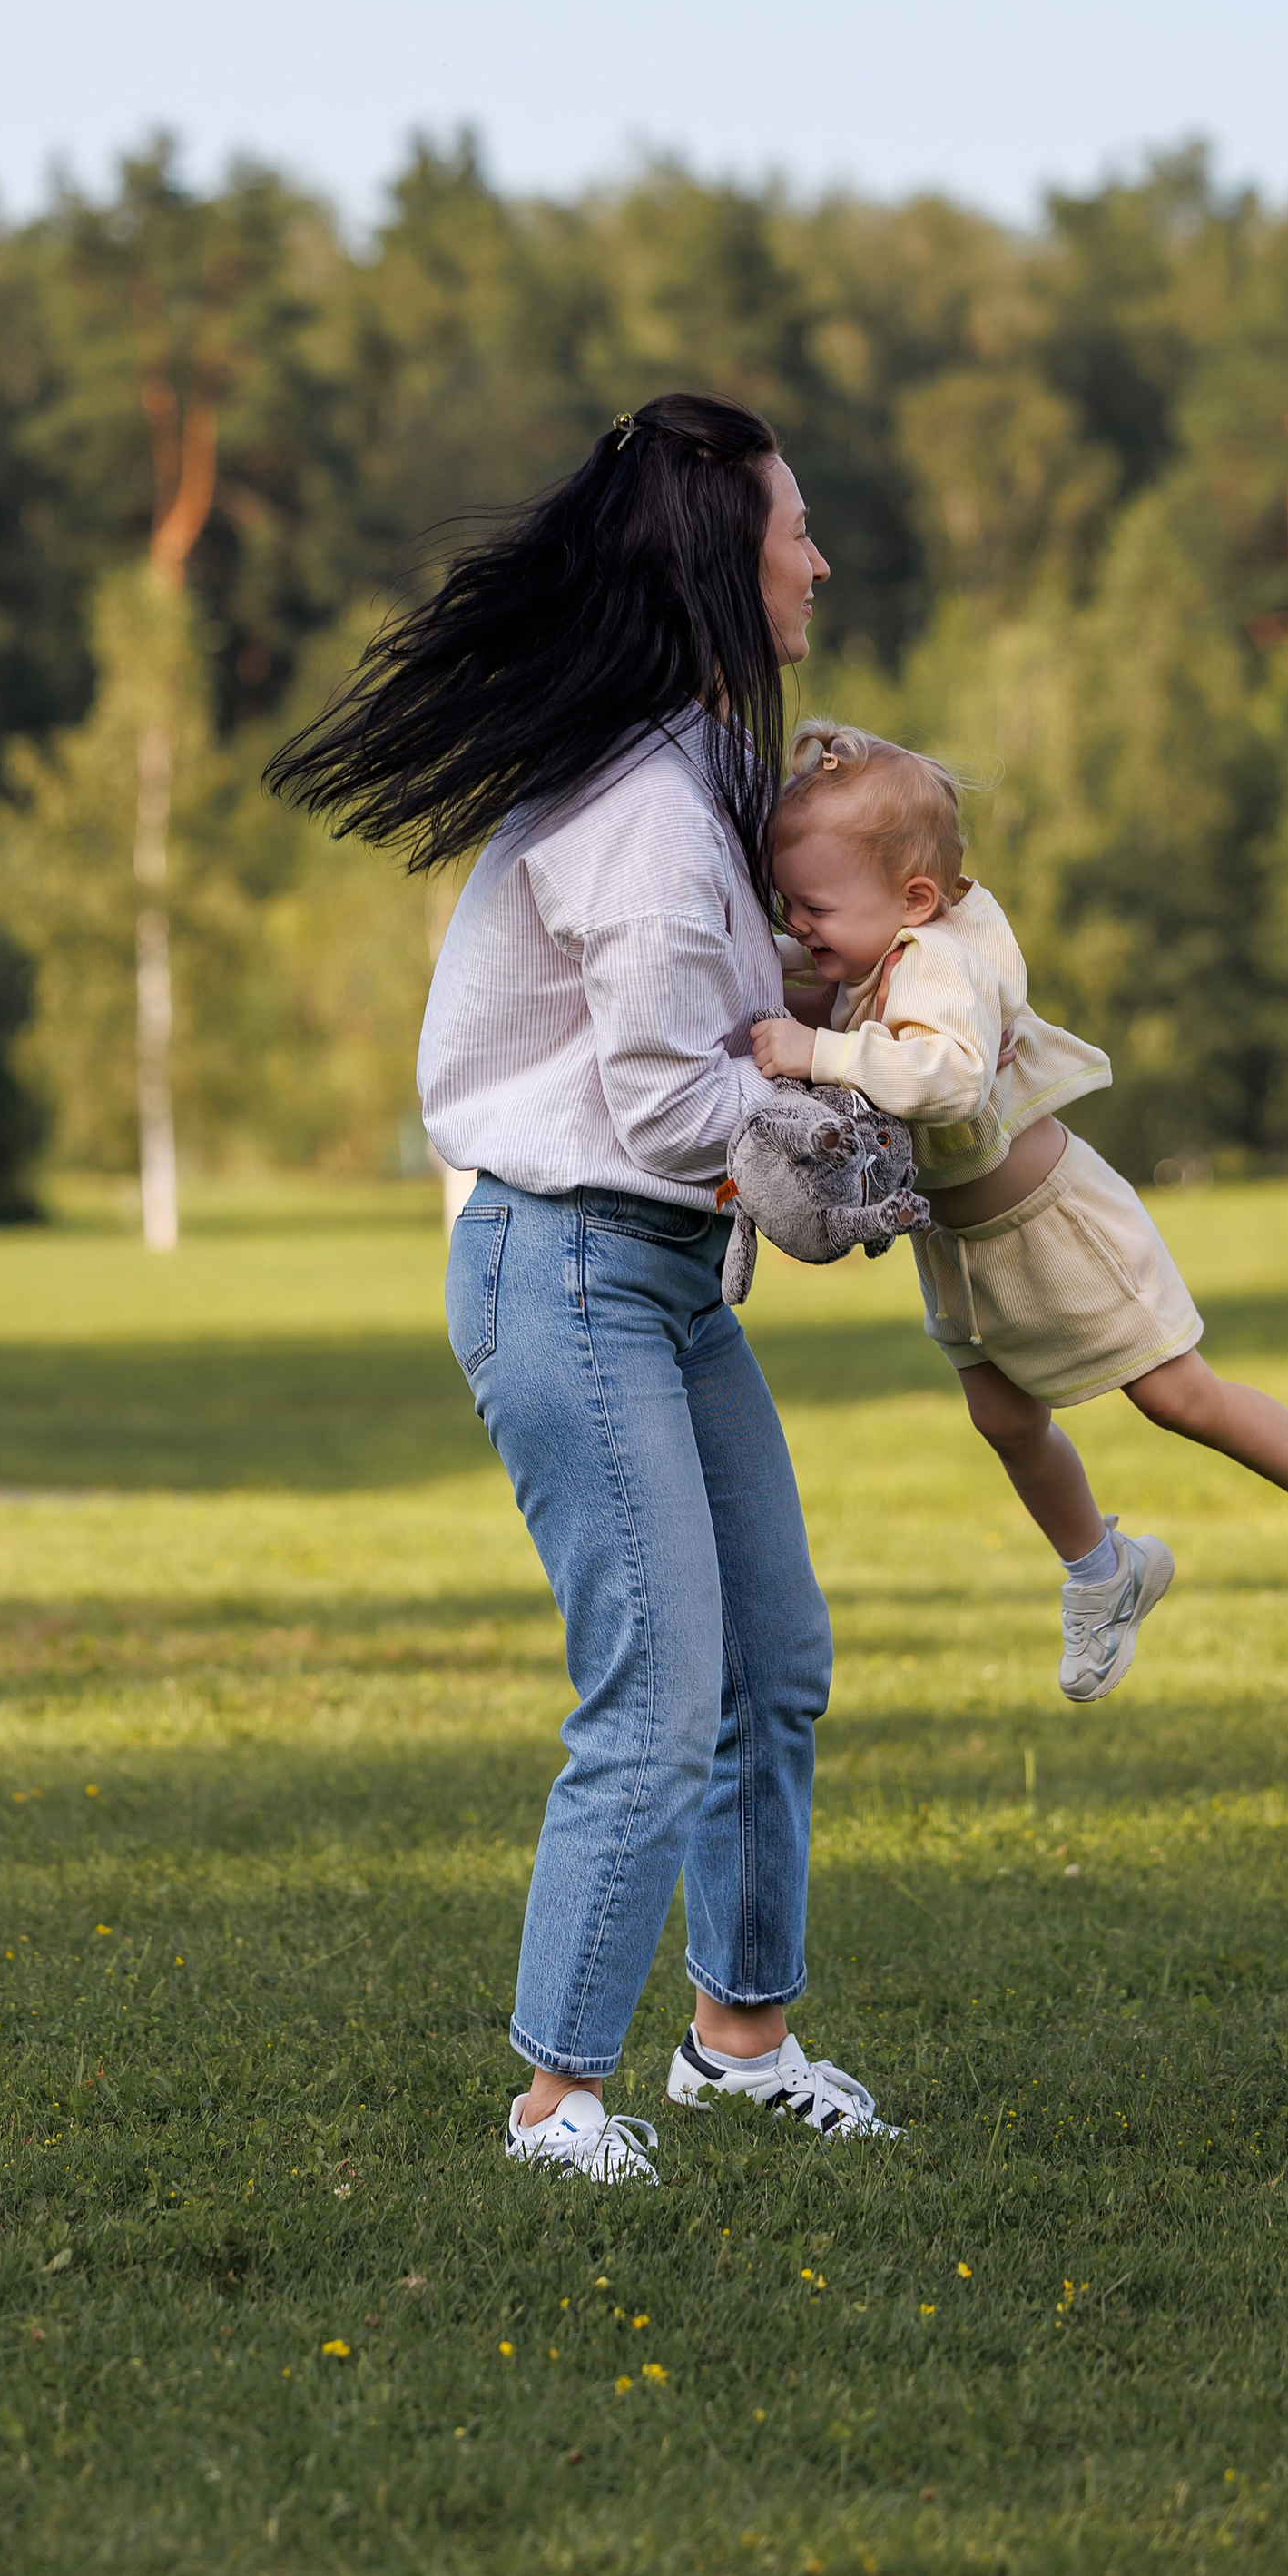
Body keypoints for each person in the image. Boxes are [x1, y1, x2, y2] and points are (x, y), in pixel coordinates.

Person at [269, 395, 900, 2183]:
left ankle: (736, 2044)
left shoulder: (693, 774)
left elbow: (721, 1040)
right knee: (656, 1687)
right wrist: (860, 1162)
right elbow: (665, 1095)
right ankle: (555, 2102)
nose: (817, 558)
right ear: (726, 556)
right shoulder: (642, 808)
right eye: (796, 528)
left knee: (772, 1666)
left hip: (661, 1280)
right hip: (563, 1267)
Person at [749, 722, 1288, 1700]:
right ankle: (1103, 1573)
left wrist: (814, 1052)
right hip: (960, 1246)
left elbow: (941, 1080)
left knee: (1177, 1395)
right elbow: (819, 990)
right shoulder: (868, 959)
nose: (799, 926)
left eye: (813, 908)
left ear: (910, 901)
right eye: (789, 906)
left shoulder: (941, 964)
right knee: (1005, 1422)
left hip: (1054, 1224)